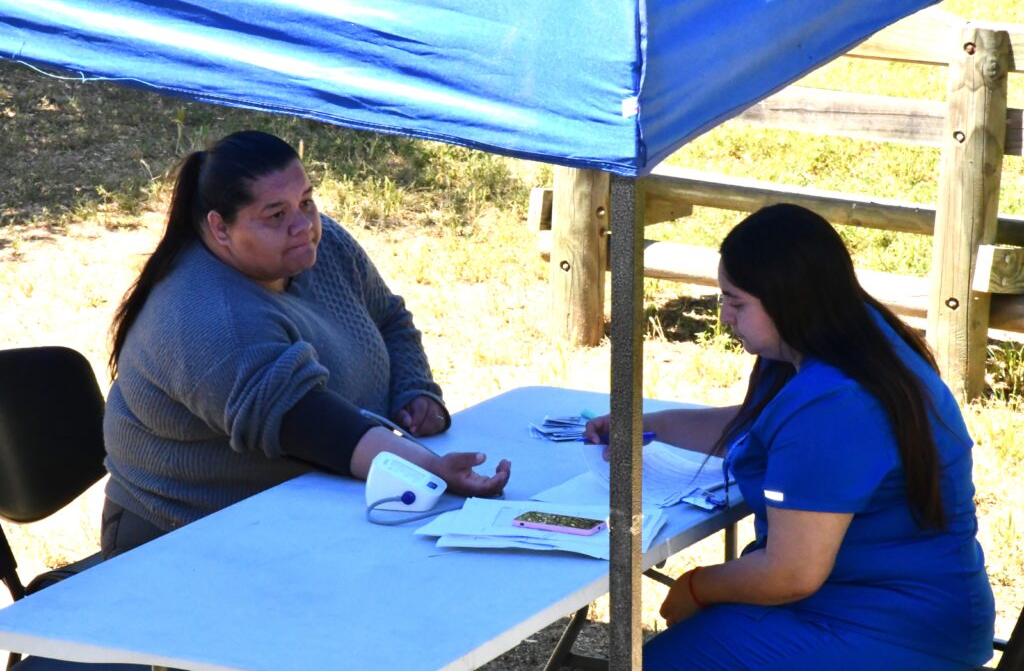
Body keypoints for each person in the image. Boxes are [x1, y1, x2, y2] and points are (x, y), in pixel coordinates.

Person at [585, 204, 995, 670]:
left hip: (890, 631)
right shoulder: (850, 335)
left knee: (650, 663)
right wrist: (647, 425)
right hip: (882, 609)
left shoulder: (833, 404)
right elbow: (758, 428)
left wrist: (697, 586)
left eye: (737, 303)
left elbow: (791, 573)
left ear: (789, 299)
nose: (725, 317)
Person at [101, 130, 510, 558]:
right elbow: (314, 425)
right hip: (182, 536)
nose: (303, 226)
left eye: (307, 202)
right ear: (220, 228)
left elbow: (388, 317)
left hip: (311, 507)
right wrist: (430, 468)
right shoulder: (207, 317)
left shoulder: (319, 245)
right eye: (276, 215)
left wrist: (415, 391)